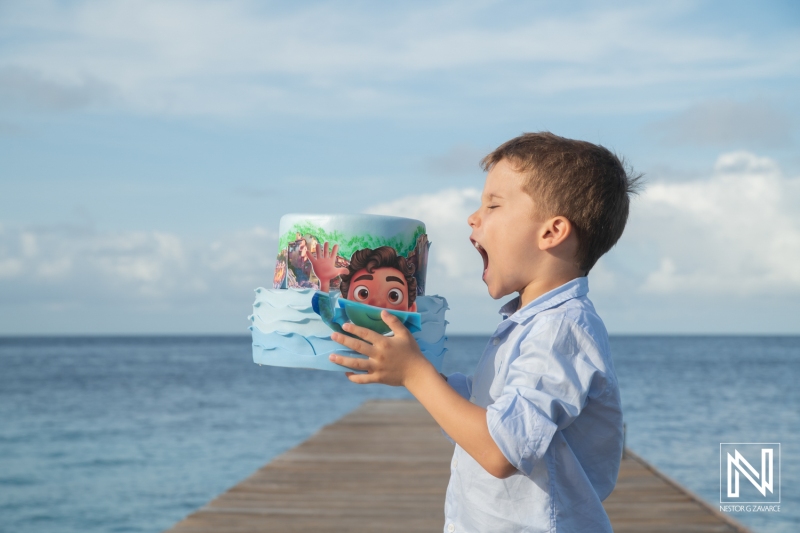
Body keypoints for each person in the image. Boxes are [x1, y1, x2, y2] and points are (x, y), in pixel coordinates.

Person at [329, 132, 641, 532]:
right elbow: (489, 417)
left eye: (493, 204)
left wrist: (415, 375)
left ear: (551, 232)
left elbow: (500, 451)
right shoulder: (528, 324)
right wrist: (417, 372)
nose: (473, 218)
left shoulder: (560, 328)